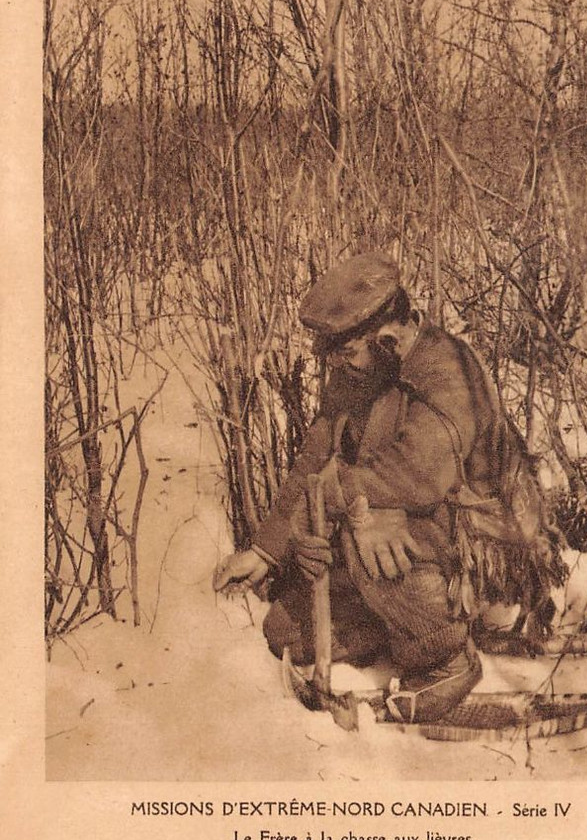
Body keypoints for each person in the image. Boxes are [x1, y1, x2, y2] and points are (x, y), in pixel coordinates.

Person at [213, 252, 566, 724]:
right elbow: (317, 456)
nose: (339, 365)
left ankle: (445, 662)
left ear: (387, 338)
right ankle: (402, 624)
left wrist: (348, 508)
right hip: (422, 521)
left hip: (485, 536)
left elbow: (418, 477)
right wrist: (269, 549)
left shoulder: (448, 369)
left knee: (370, 533)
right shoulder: (363, 368)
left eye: (346, 352)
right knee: (287, 633)